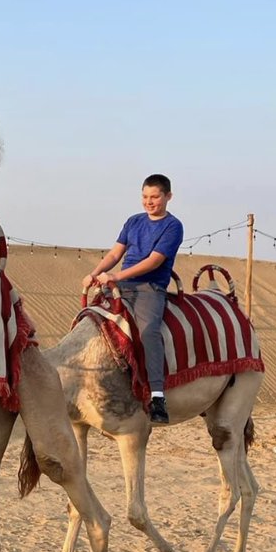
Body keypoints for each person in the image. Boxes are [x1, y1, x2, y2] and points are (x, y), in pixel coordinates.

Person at [82, 175, 183, 426]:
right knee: (88, 319)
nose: (149, 202)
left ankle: (157, 396)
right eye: (145, 197)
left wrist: (116, 275)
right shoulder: (133, 221)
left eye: (155, 197)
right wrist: (94, 274)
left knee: (149, 332)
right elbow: (116, 253)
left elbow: (154, 261)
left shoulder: (173, 226)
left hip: (149, 288)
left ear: (168, 197)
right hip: (120, 284)